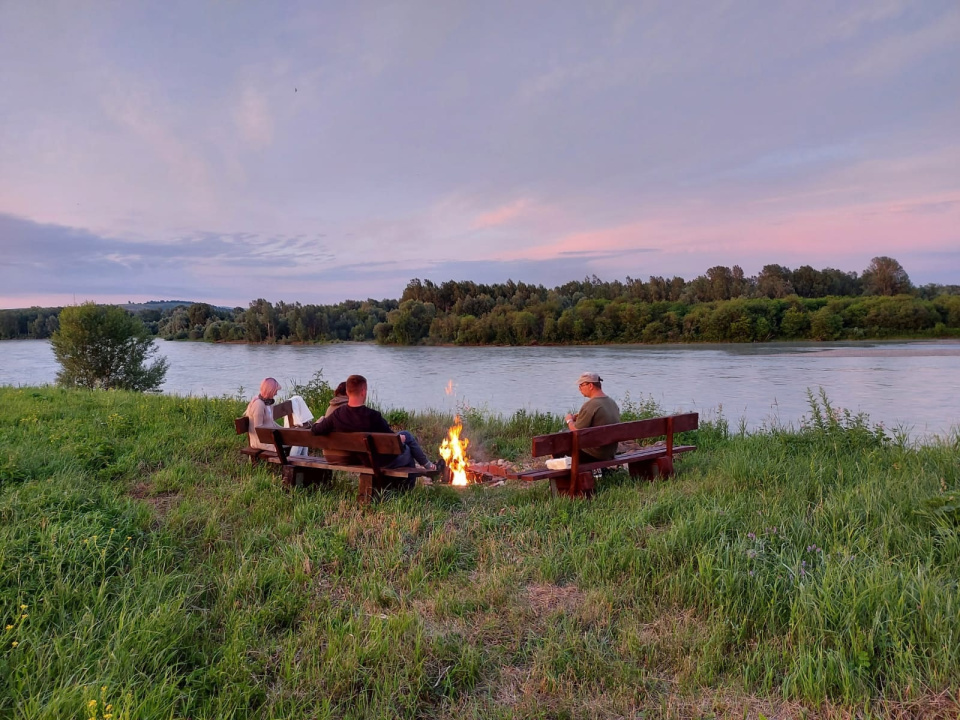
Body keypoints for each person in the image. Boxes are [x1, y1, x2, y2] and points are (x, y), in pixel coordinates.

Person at [310, 374, 436, 475]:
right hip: (382, 461)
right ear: (363, 392)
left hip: (365, 460)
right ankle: (425, 470)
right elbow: (392, 441)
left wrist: (319, 421)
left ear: (348, 392)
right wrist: (400, 439)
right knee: (407, 443)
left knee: (405, 436)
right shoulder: (373, 416)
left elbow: (316, 430)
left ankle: (427, 466)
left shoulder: (337, 415)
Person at [244, 377, 313, 454]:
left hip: (270, 438)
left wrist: (285, 431)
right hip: (261, 442)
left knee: (301, 438)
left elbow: (271, 423)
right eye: (275, 391)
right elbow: (259, 430)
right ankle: (292, 461)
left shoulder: (268, 403)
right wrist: (277, 437)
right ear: (270, 390)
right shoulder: (259, 405)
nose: (276, 393)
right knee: (298, 441)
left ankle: (301, 460)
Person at [563, 372, 621, 462]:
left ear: (590, 385)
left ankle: (565, 475)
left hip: (595, 454)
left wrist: (569, 420)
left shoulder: (591, 405)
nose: (579, 389)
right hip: (610, 452)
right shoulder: (612, 402)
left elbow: (577, 431)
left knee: (561, 440)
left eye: (581, 385)